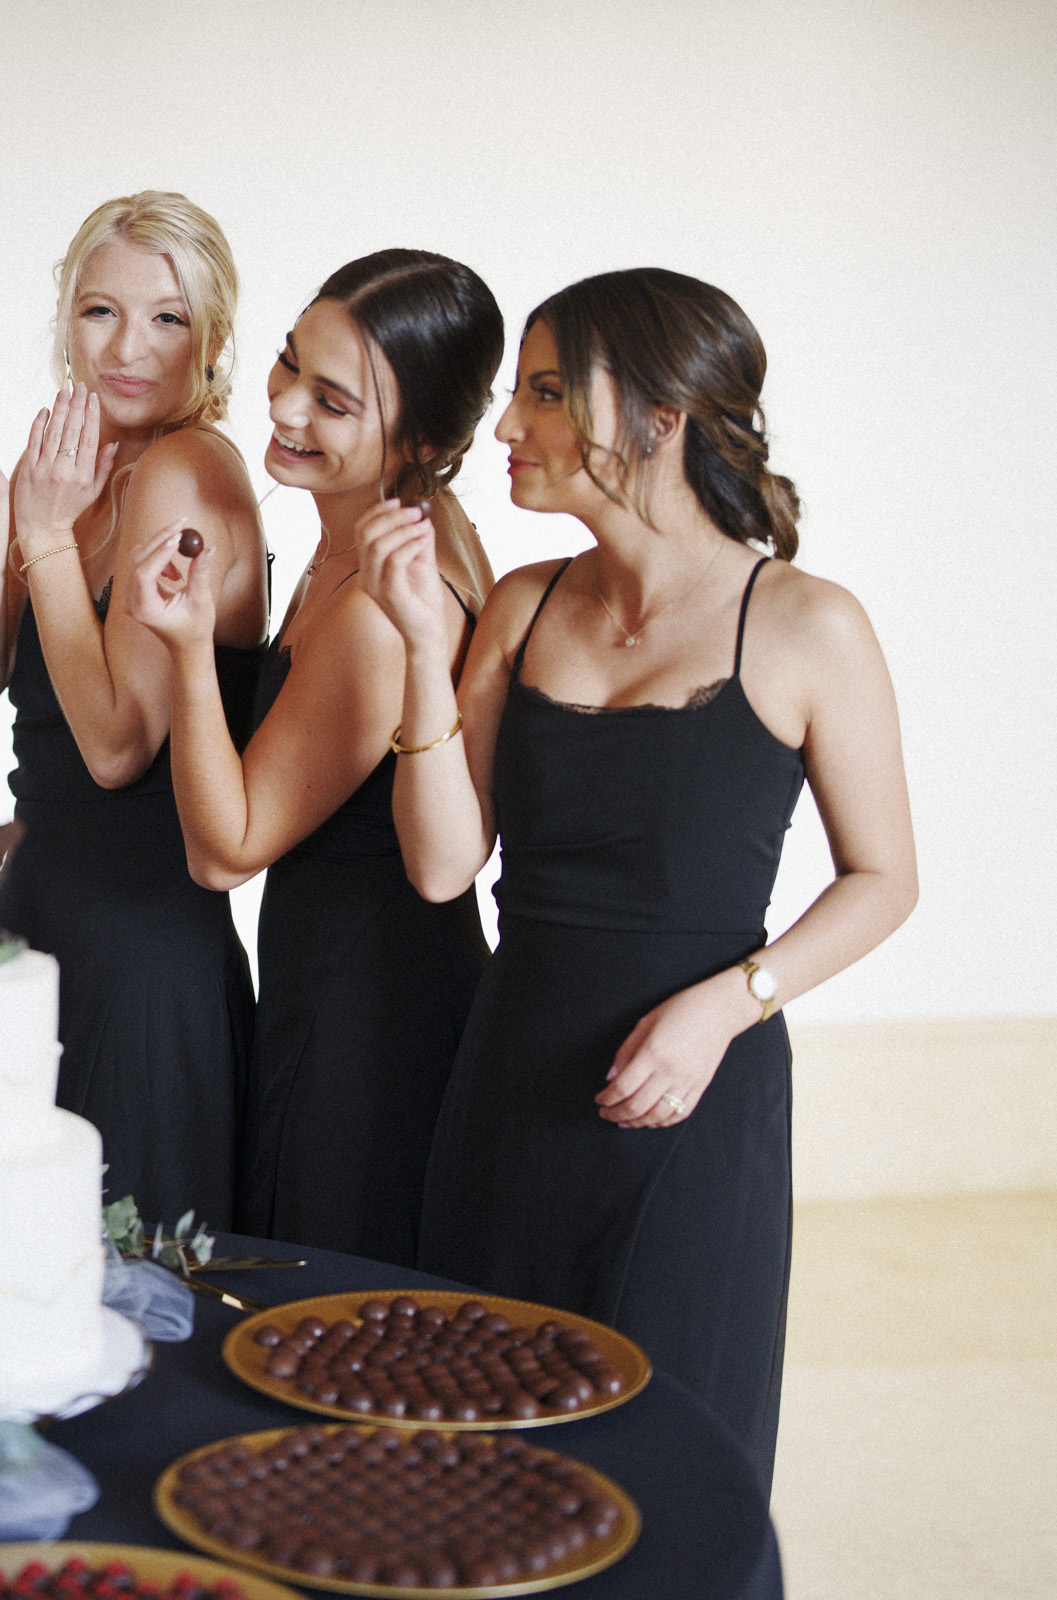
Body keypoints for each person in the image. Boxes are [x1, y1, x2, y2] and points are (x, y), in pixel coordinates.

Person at [359, 267, 918, 1481]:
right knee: (478, 1449)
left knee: (667, 1465)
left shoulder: (809, 624)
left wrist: (729, 1006)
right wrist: (417, 645)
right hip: (509, 1079)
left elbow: (884, 878)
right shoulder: (519, 603)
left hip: (695, 1104)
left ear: (658, 420)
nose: (509, 426)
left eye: (549, 394)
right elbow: (444, 862)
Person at [123, 250, 500, 1262]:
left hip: (370, 1022)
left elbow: (227, 848)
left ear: (419, 438)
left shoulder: (382, 611)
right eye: (290, 366)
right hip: (323, 985)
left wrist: (191, 649)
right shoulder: (363, 538)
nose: (285, 407)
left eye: (331, 401)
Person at [0, 193, 265, 1228]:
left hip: (147, 956)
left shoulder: (188, 472)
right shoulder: (65, 468)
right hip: (37, 920)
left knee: (132, 1291)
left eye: (167, 318)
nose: (129, 349)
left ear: (212, 337)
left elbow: (115, 746)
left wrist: (50, 538)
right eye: (100, 311)